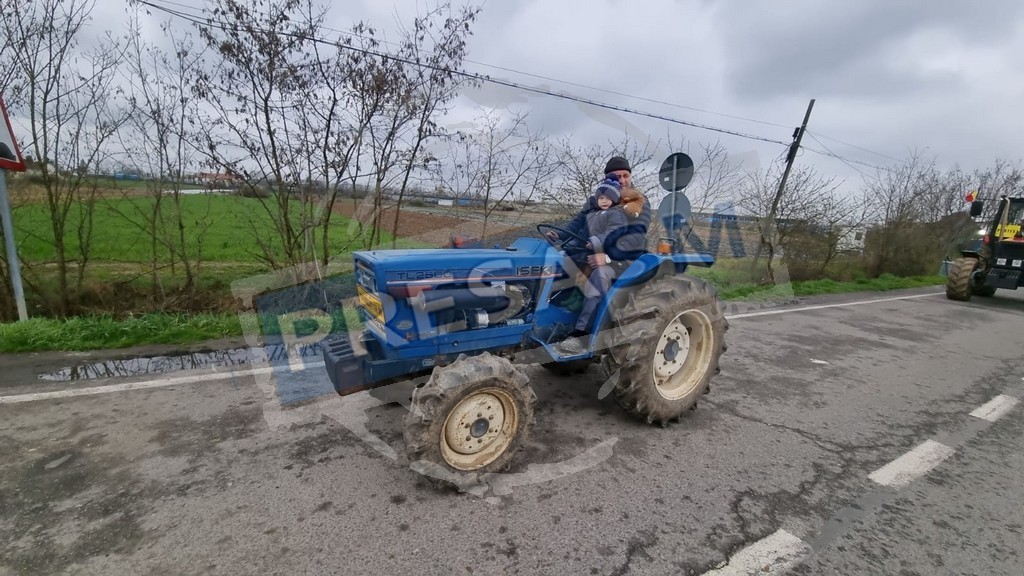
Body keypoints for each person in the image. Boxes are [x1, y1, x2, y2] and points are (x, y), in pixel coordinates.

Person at [551, 174, 627, 354]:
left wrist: (596, 241)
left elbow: (612, 234)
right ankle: (552, 317)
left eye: (608, 198)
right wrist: (558, 235)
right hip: (584, 255)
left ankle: (581, 334)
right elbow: (572, 227)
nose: (604, 201)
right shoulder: (588, 213)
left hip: (611, 261)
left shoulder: (618, 215)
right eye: (601, 197)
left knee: (598, 279)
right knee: (557, 265)